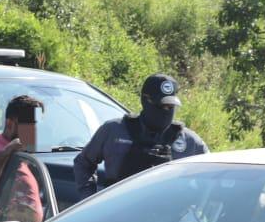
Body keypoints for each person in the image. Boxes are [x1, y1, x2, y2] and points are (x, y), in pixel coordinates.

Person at [72, 73, 208, 199]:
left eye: (170, 107)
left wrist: (194, 203)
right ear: (145, 100)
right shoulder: (115, 131)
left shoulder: (189, 142)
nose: (166, 112)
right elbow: (83, 163)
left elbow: (214, 176)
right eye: (160, 106)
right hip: (119, 215)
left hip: (166, 221)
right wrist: (89, 199)